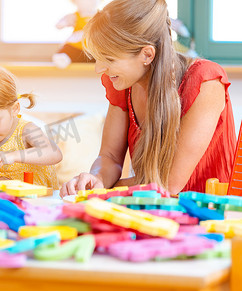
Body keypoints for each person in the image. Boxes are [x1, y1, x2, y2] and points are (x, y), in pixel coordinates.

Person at [61, 0, 236, 197]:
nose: (99, 68)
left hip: (210, 215)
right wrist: (96, 178)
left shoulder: (206, 81)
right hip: (153, 210)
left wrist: (103, 190)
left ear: (147, 55)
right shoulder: (123, 85)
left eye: (109, 59)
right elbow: (109, 156)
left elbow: (169, 184)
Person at [0, 66, 62, 188]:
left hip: (35, 199)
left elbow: (54, 154)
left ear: (14, 109)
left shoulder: (26, 130)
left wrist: (14, 156)